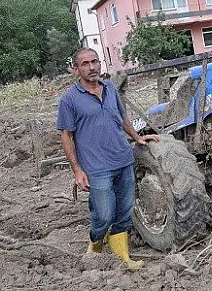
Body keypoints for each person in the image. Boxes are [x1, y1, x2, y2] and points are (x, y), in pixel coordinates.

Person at [57, 48, 159, 270]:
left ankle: (123, 257)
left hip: (123, 160)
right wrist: (77, 170)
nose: (92, 67)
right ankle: (95, 243)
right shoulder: (70, 99)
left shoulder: (110, 88)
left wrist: (137, 137)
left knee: (124, 211)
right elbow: (66, 136)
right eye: (85, 63)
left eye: (95, 61)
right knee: (103, 215)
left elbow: (122, 117)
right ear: (76, 69)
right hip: (96, 167)